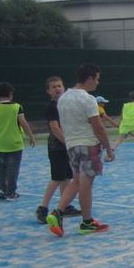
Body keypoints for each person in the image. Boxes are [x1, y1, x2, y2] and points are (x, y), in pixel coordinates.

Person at [45, 64, 115, 236]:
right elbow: (98, 127)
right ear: (90, 79)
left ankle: (57, 212)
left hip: (71, 145)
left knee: (76, 181)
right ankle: (87, 221)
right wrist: (108, 148)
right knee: (86, 183)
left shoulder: (64, 98)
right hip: (88, 144)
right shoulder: (88, 99)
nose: (97, 83)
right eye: (96, 79)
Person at [36, 76, 81, 224]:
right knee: (57, 178)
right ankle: (43, 208)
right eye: (53, 87)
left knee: (67, 177)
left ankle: (65, 206)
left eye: (59, 86)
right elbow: (55, 128)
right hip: (57, 147)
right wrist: (68, 144)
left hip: (66, 145)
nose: (57, 89)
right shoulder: (52, 107)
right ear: (48, 91)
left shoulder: (65, 105)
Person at [0, 81, 36, 200]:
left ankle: (1, 189)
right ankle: (11, 192)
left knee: (3, 167)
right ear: (11, 93)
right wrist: (31, 136)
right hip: (14, 143)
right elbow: (23, 123)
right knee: (13, 169)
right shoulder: (17, 107)